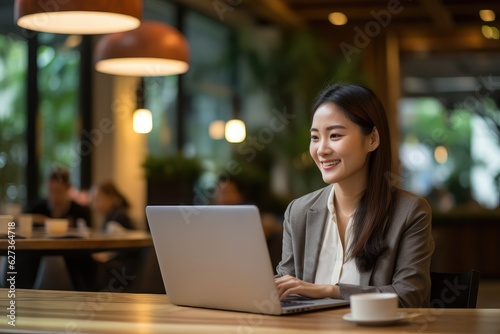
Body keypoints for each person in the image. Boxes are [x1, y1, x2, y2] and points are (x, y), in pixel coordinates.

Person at [274, 84, 435, 308]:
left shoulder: (409, 212)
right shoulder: (298, 212)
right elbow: (285, 288)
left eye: (335, 135)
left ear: (372, 139)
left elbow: (409, 297)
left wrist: (327, 290)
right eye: (315, 137)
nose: (322, 149)